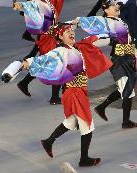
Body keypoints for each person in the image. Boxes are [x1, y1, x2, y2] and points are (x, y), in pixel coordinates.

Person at [20, 23, 112, 167]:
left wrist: (107, 36)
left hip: (78, 90)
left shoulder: (74, 48)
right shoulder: (61, 50)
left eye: (71, 30)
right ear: (60, 37)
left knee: (72, 121)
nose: (71, 32)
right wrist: (28, 62)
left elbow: (90, 40)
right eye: (67, 31)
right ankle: (84, 159)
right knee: (88, 125)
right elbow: (45, 59)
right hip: (74, 92)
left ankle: (48, 142)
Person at [75, 0, 137, 129]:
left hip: (128, 58)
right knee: (128, 91)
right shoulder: (107, 22)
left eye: (116, 4)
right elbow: (96, 26)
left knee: (125, 88)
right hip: (120, 61)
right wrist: (78, 21)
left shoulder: (119, 20)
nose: (116, 6)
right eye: (112, 6)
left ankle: (102, 107)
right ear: (106, 10)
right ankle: (125, 122)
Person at [12, 0, 74, 104]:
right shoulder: (37, 2)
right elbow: (30, 6)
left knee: (46, 63)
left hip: (52, 36)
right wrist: (20, 6)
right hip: (48, 38)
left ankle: (24, 83)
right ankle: (54, 97)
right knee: (57, 63)